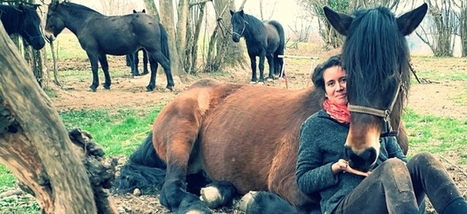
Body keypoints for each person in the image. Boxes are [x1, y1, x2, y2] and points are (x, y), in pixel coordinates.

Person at [296, 55, 467, 214]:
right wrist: (335, 168)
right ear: (325, 91)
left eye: (344, 80)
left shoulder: (374, 116)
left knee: (425, 160)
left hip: (393, 198)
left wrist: (389, 177)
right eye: (331, 83)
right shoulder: (315, 126)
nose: (339, 87)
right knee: (391, 166)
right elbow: (303, 180)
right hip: (344, 205)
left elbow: (400, 159)